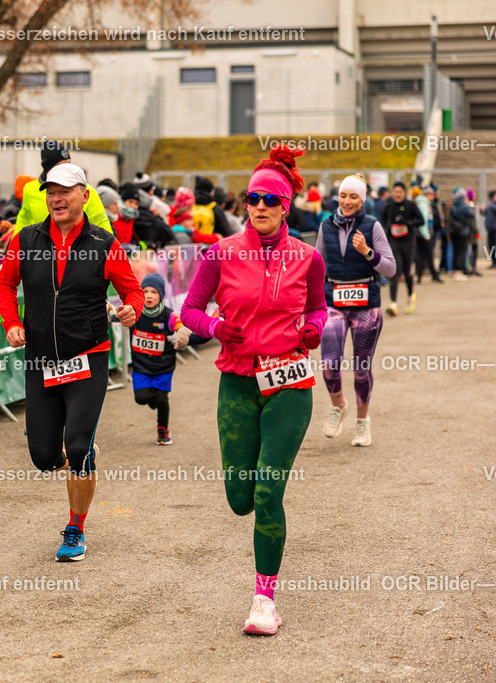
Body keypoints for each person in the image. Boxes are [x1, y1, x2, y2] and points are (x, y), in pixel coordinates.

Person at [180, 146, 326, 636]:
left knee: (267, 489)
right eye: (252, 198)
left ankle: (264, 600)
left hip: (290, 384)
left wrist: (312, 329)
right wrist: (217, 329)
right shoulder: (220, 253)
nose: (259, 206)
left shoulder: (308, 258)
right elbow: (190, 312)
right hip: (238, 382)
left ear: (286, 206)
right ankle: (262, 584)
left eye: (270, 199)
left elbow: (320, 310)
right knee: (239, 497)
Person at [0, 163, 143, 562]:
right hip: (41, 359)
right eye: (50, 192)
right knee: (44, 457)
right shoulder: (26, 239)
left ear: (84, 195)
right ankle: (73, 461)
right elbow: (5, 283)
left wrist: (130, 309)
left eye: (64, 192)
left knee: (79, 446)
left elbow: (132, 291)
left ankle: (75, 527)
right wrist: (11, 322)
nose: (56, 199)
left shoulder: (104, 242)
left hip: (88, 356)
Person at [316, 174, 396, 447]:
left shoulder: (372, 226)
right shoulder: (325, 225)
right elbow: (317, 265)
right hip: (334, 301)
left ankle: (363, 421)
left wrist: (367, 252)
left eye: (353, 196)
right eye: (343, 195)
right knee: (329, 363)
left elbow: (390, 268)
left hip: (366, 304)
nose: (347, 201)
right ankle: (338, 406)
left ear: (362, 199)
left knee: (361, 369)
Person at [130, 273, 189, 446]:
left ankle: (163, 430)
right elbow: (117, 318)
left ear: (161, 295)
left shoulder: (169, 315)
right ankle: (153, 396)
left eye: (154, 292)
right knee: (141, 398)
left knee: (162, 400)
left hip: (163, 367)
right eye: (145, 291)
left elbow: (179, 325)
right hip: (141, 367)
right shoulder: (136, 312)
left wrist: (181, 332)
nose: (149, 295)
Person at [15, 141, 112, 234]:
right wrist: (14, 248)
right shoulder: (29, 189)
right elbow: (23, 221)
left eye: (68, 164)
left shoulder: (86, 190)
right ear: (47, 168)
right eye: (51, 193)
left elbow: (101, 225)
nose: (66, 169)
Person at [379, 182, 424, 316]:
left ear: (404, 193)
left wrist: (407, 223)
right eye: (395, 192)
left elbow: (421, 220)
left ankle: (411, 295)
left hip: (408, 241)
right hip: (394, 241)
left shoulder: (411, 206)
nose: (397, 194)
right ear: (393, 193)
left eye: (400, 192)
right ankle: (393, 304)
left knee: (406, 271)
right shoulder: (389, 207)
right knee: (394, 270)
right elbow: (384, 222)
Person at [412, 185, 442, 284]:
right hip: (424, 234)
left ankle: (420, 275)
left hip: (420, 234)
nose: (432, 197)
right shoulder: (424, 205)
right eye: (431, 195)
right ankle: (434, 275)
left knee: (421, 255)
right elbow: (423, 221)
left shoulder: (421, 203)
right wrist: (427, 235)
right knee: (428, 254)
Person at [448, 188, 475, 281]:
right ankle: (460, 270)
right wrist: (467, 205)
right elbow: (471, 214)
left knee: (455, 251)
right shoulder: (464, 206)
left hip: (454, 231)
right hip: (463, 231)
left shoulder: (453, 206)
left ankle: (455, 269)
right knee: (462, 251)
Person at [486, 190, 496, 270]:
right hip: (490, 230)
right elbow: (484, 212)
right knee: (491, 246)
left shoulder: (491, 206)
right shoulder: (489, 206)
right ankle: (494, 262)